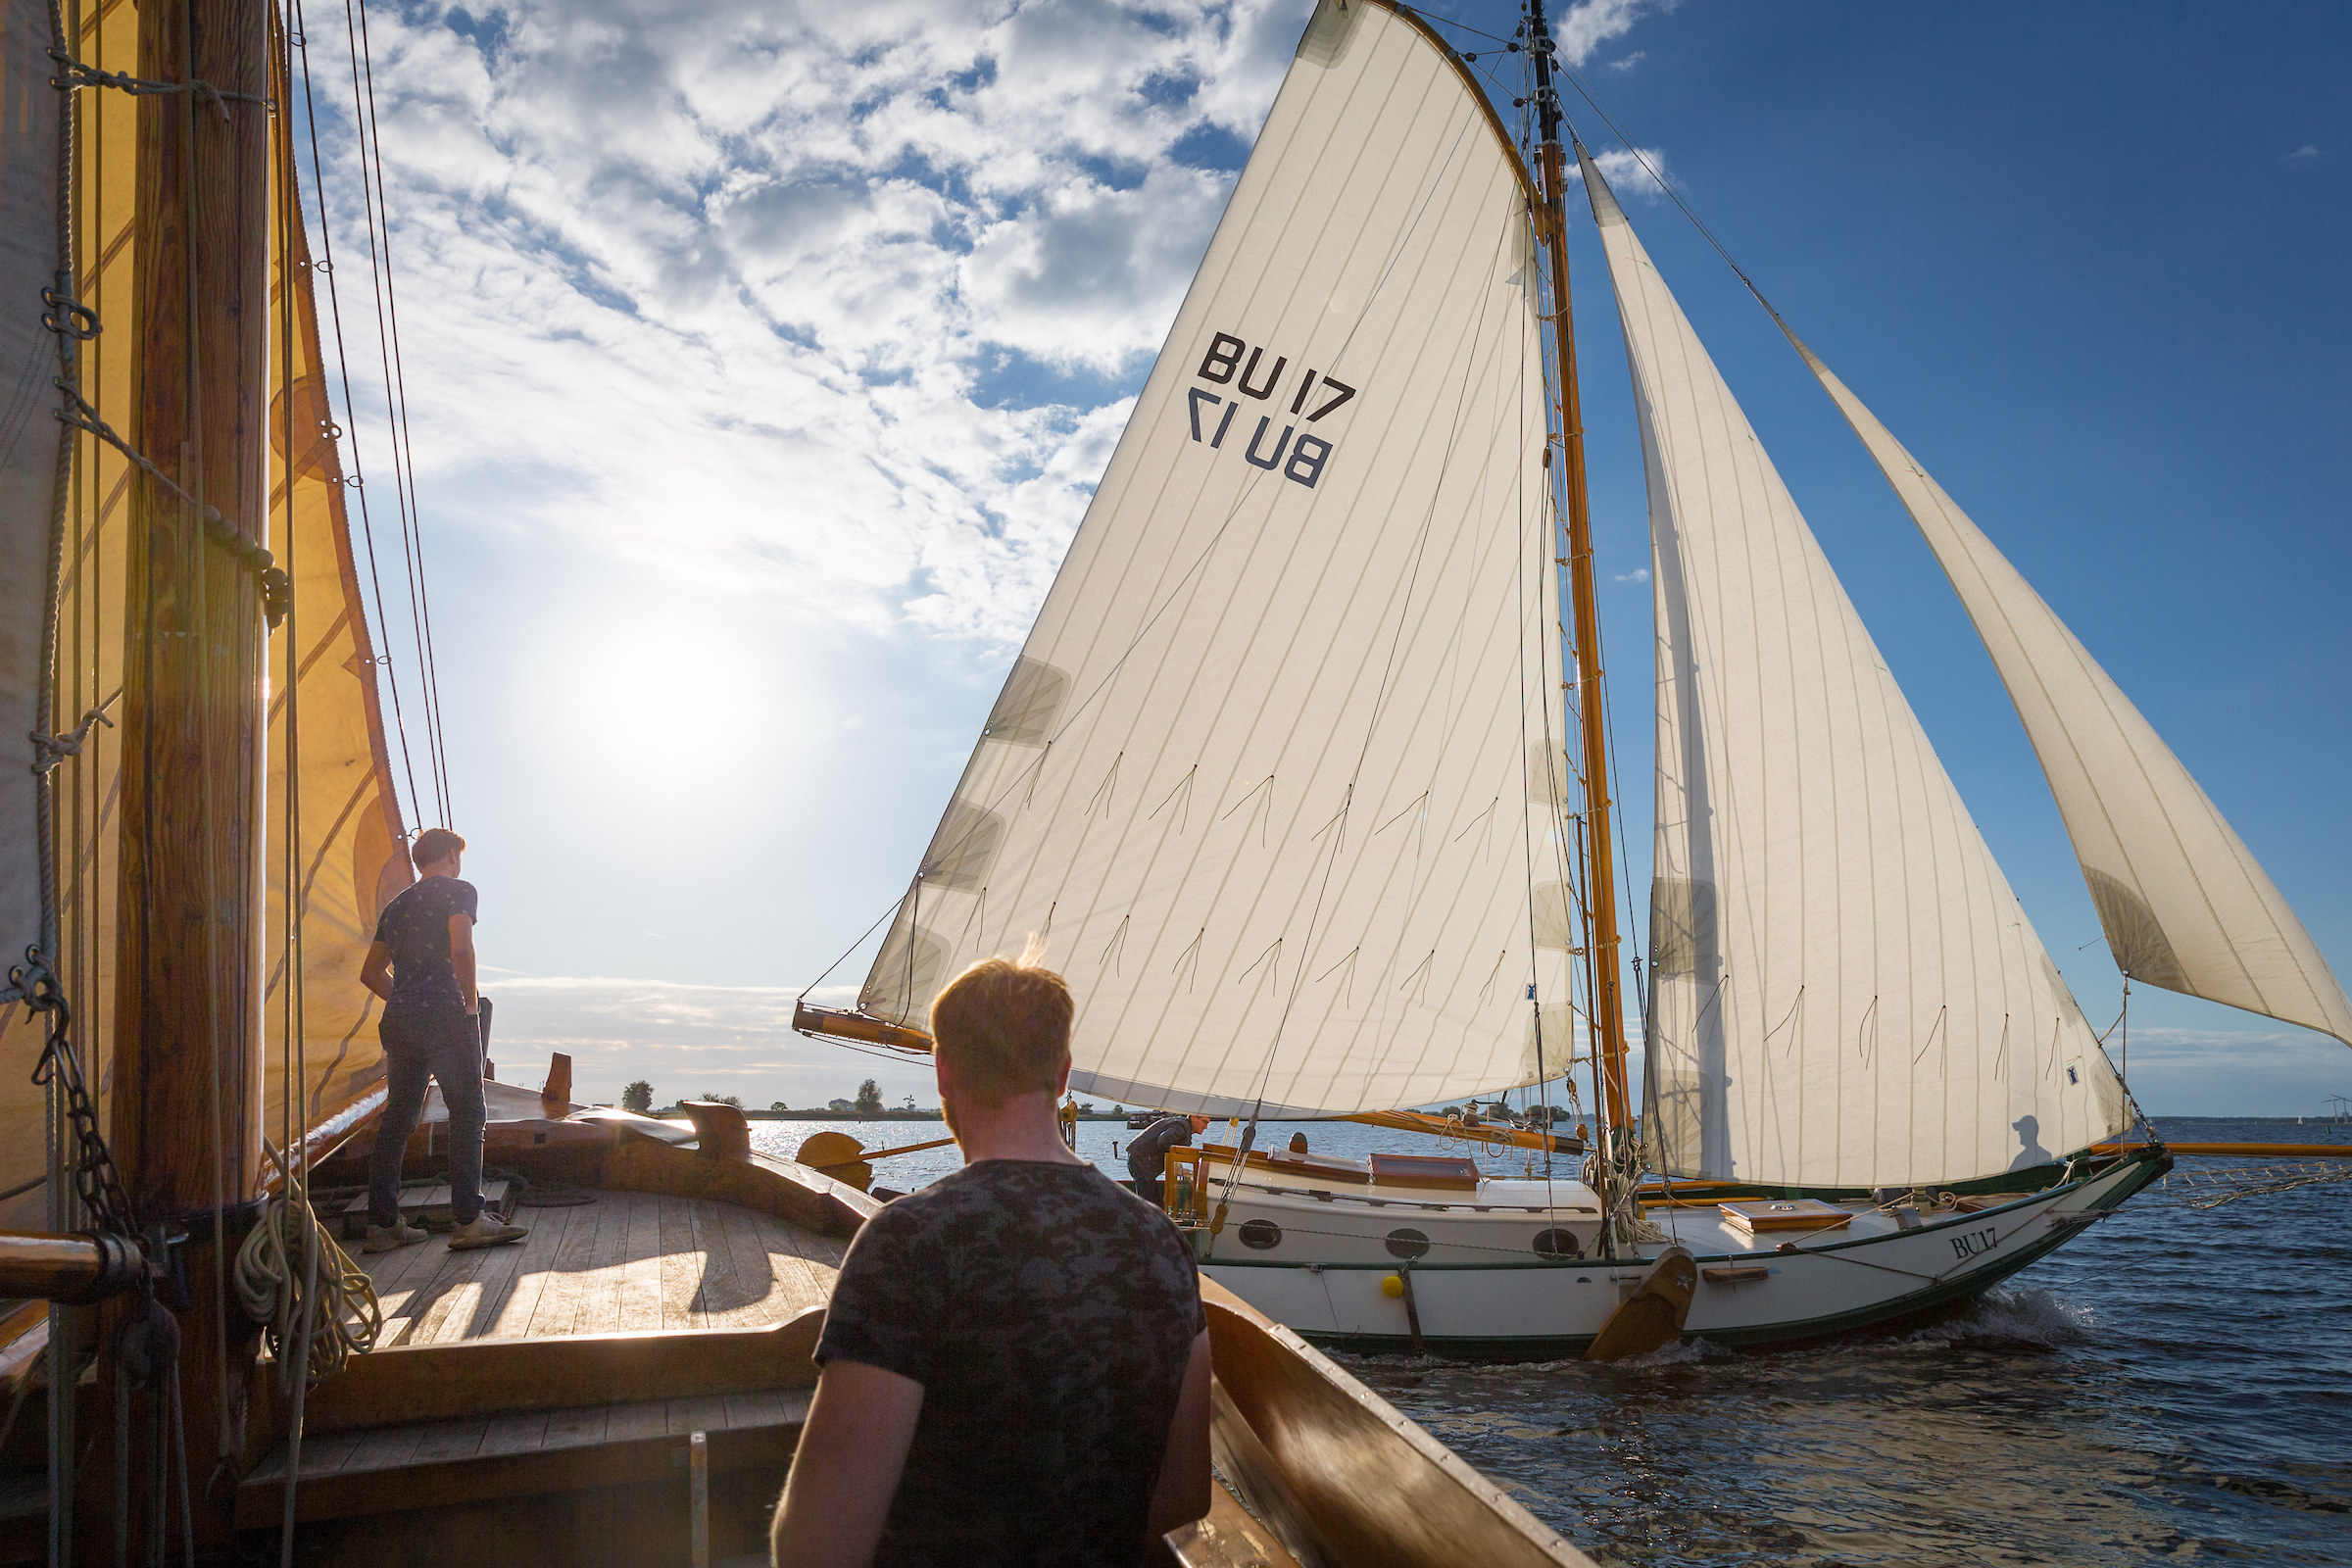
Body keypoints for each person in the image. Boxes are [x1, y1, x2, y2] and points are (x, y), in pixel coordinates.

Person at [772, 945, 1210, 1568]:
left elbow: (818, 1549)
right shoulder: (1162, 1243)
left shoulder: (909, 1244)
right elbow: (1183, 1498)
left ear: (943, 1072)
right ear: (1061, 1075)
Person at [357, 829, 527, 1253]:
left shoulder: (396, 907)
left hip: (400, 1022)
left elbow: (370, 973)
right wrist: (469, 1007)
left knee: (398, 1122)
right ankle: (469, 1221)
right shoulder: (459, 890)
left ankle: (381, 1227)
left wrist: (406, 999)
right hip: (447, 1018)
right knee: (468, 1115)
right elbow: (461, 948)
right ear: (452, 856)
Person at [1126, 1111, 1210, 1209]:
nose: (1206, 1127)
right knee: (1148, 1204)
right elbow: (1164, 1140)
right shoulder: (1181, 1127)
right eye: (1204, 1122)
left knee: (1155, 1203)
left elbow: (1170, 1148)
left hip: (1140, 1161)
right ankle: (1143, 1222)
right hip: (1140, 1161)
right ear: (1193, 1117)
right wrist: (1177, 1169)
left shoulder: (1182, 1126)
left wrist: (1179, 1169)